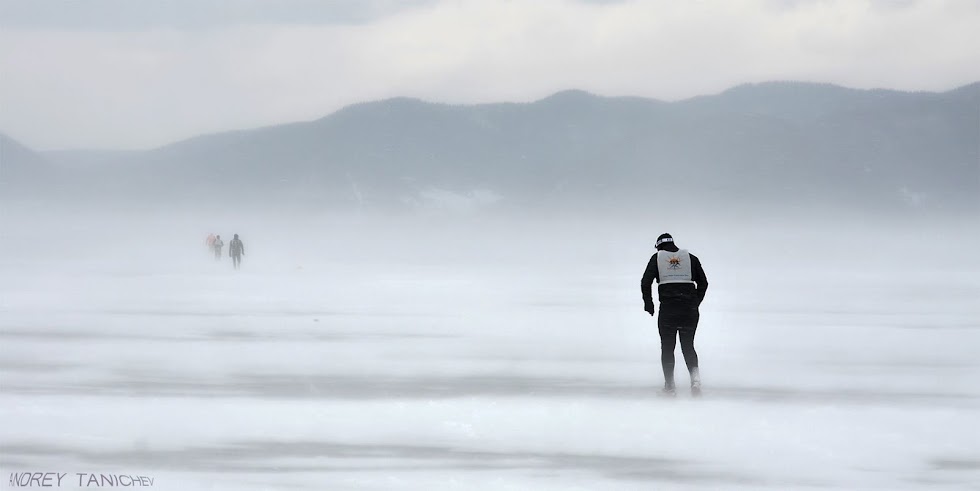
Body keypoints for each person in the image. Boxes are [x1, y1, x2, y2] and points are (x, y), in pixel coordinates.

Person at [640, 233, 709, 397]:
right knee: (688, 345)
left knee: (668, 347)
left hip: (669, 310)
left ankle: (670, 387)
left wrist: (649, 304)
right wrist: (695, 302)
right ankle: (695, 381)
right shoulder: (690, 258)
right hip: (689, 310)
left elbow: (645, 282)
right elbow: (704, 283)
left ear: (659, 246)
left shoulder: (657, 259)